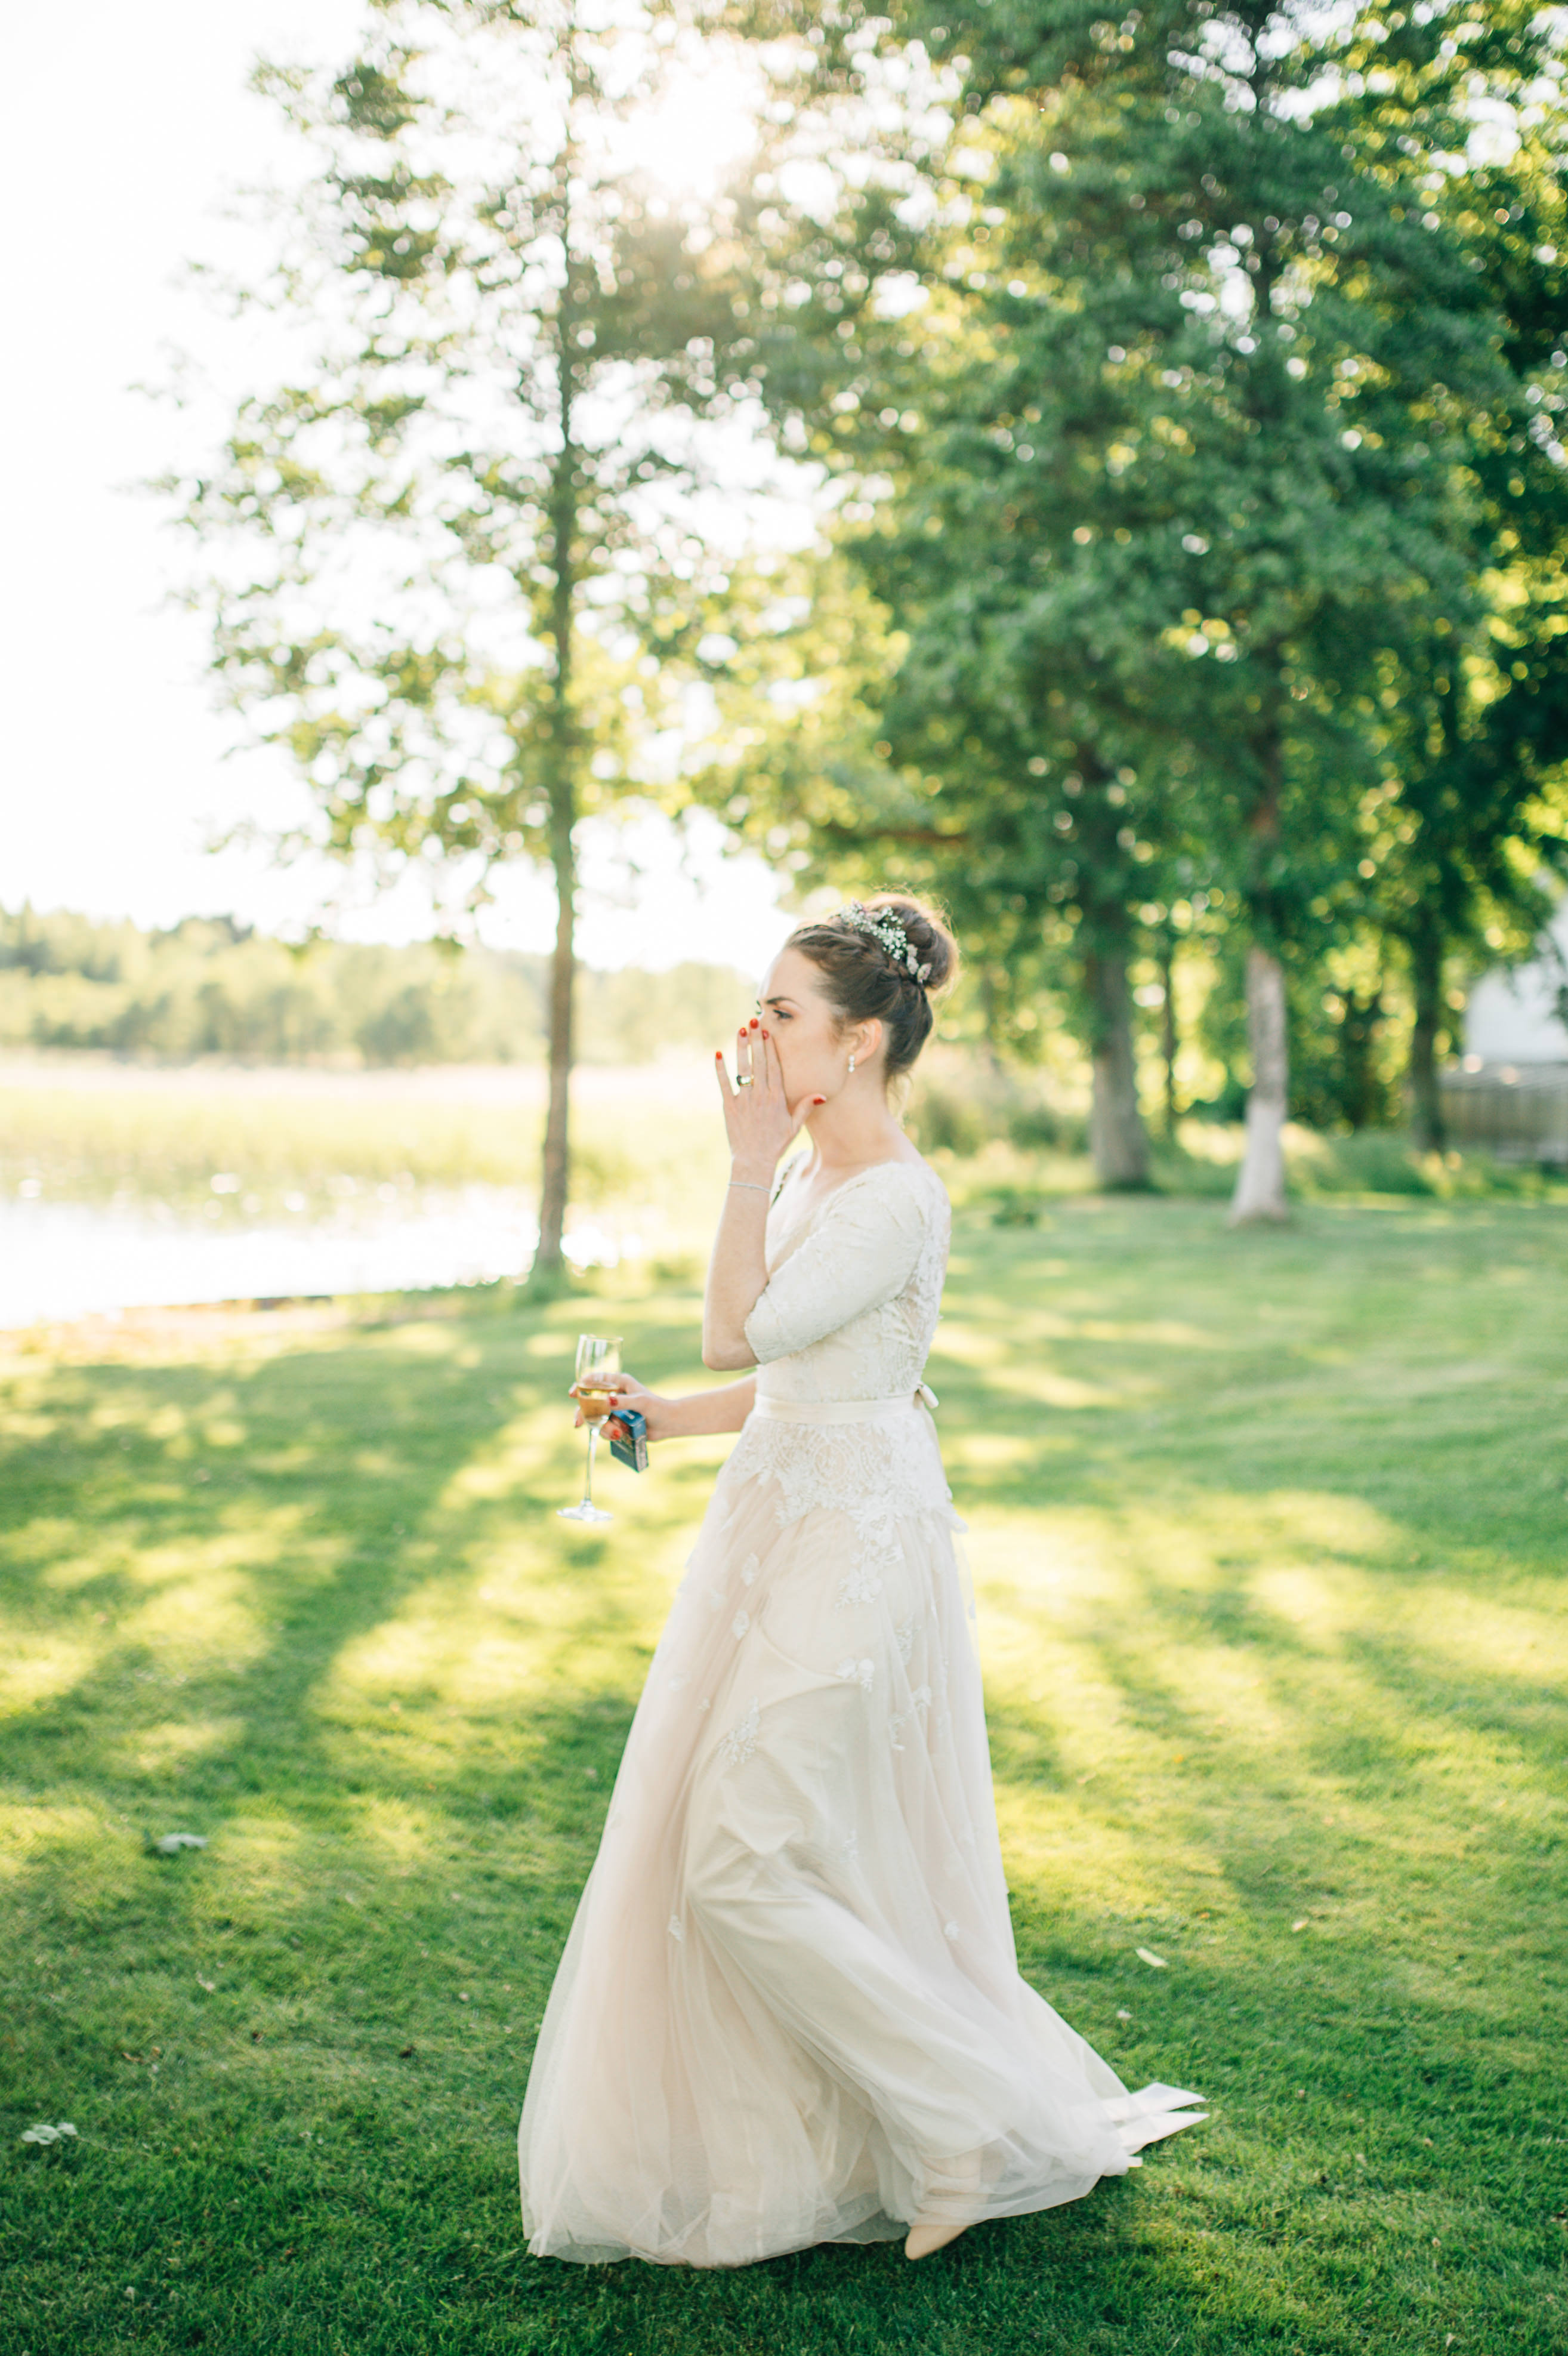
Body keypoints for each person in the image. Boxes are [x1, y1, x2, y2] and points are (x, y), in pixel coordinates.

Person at [518, 894, 1202, 2268]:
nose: (755, 1036)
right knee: (742, 1840)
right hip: (775, 1525)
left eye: (782, 1014)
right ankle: (876, 2124)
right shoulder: (809, 1177)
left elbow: (734, 1330)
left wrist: (741, 1164)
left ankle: (959, 2122)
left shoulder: (890, 1195)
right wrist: (659, 1416)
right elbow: (791, 1377)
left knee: (738, 1853)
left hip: (858, 1546)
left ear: (862, 1039)